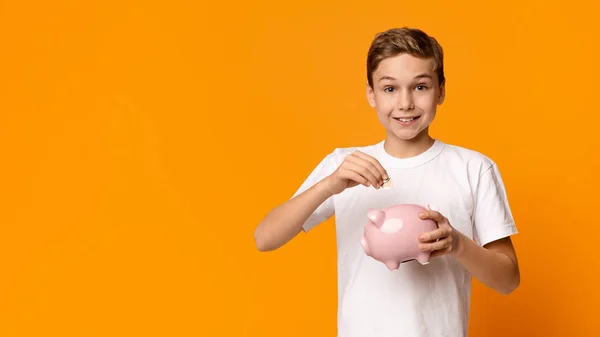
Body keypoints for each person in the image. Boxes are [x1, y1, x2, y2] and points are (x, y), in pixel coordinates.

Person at [254, 27, 520, 337]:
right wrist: (329, 184)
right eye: (390, 89)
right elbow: (265, 238)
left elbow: (508, 279)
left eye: (420, 87)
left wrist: (457, 244)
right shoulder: (345, 166)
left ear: (441, 91)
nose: (405, 103)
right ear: (371, 94)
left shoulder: (474, 169)